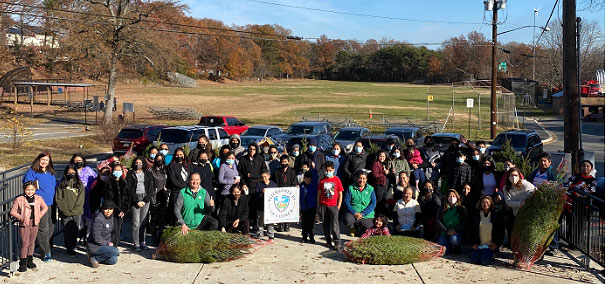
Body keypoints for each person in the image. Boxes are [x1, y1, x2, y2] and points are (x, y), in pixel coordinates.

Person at [22, 152, 56, 262]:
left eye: (47, 160)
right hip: (40, 204)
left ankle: (47, 246)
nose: (44, 162)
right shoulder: (32, 172)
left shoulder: (50, 172)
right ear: (38, 160)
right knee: (43, 228)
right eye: (43, 160)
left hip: (51, 202)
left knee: (51, 227)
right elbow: (27, 186)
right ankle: (46, 252)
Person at [11, 181, 48, 272]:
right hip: (24, 224)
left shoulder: (38, 198)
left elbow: (45, 207)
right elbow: (12, 211)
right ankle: (23, 262)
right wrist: (21, 217)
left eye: (32, 189)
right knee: (25, 243)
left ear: (35, 189)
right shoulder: (19, 199)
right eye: (28, 190)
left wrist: (39, 215)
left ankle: (29, 260)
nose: (30, 191)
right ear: (24, 190)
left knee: (32, 242)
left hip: (34, 223)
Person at [55, 164, 85, 256]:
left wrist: (74, 211)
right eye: (69, 172)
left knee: (75, 229)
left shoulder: (79, 184)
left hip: (77, 212)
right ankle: (69, 248)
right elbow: (58, 198)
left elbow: (81, 199)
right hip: (65, 212)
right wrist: (64, 210)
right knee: (67, 230)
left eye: (73, 172)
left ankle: (73, 245)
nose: (71, 174)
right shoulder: (61, 184)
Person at [126, 156, 155, 251]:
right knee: (135, 222)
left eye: (140, 163)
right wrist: (136, 201)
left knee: (143, 221)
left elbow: (151, 188)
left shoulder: (148, 174)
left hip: (145, 198)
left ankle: (143, 241)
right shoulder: (130, 173)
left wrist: (145, 200)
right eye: (136, 163)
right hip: (135, 198)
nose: (138, 164)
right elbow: (129, 188)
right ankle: (136, 243)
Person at [503, 167, 536, 246]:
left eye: (515, 175)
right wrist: (519, 203)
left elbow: (536, 191)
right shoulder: (506, 187)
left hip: (528, 213)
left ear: (519, 176)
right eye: (511, 175)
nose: (513, 177)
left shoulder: (526, 184)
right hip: (516, 213)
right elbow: (508, 202)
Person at [469, 195, 504, 265]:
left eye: (487, 202)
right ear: (480, 203)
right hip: (478, 244)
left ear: (491, 203)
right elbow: (471, 230)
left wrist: (496, 244)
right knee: (475, 260)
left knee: (484, 261)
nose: (485, 204)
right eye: (483, 202)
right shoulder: (475, 215)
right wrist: (473, 243)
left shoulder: (497, 214)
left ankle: (492, 253)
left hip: (490, 245)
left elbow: (501, 231)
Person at [239, 143, 268, 227]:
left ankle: (257, 224)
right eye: (250, 149)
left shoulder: (260, 159)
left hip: (257, 186)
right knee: (247, 207)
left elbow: (264, 171)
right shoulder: (243, 159)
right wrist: (243, 184)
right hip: (247, 186)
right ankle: (248, 224)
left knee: (257, 207)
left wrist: (253, 175)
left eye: (254, 149)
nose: (252, 151)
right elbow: (240, 172)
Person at [317, 161, 344, 250]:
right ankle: (328, 241)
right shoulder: (322, 181)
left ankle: (337, 242)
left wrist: (339, 204)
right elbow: (319, 193)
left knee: (334, 225)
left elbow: (340, 193)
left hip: (333, 205)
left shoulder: (337, 180)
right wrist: (318, 205)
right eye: (326, 170)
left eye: (330, 170)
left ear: (333, 170)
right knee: (326, 225)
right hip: (323, 205)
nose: (328, 172)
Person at [87, 200, 120, 268]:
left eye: (111, 209)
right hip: (95, 246)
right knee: (115, 251)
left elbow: (113, 233)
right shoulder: (98, 219)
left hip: (105, 244)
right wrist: (107, 244)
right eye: (106, 209)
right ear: (102, 209)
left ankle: (96, 258)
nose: (108, 211)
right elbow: (97, 238)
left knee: (113, 260)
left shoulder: (111, 218)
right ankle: (93, 258)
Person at [344, 171, 376, 237]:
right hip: (353, 212)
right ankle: (353, 227)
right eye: (360, 178)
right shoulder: (350, 188)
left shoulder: (371, 189)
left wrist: (363, 213)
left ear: (366, 179)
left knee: (369, 230)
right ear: (356, 179)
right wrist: (354, 212)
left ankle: (361, 227)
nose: (361, 180)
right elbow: (346, 201)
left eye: (364, 178)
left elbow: (373, 203)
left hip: (366, 214)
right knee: (347, 219)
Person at [148, 153, 170, 246]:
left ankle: (160, 238)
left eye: (161, 159)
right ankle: (153, 237)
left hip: (163, 197)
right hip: (154, 197)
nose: (159, 161)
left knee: (162, 219)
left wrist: (167, 190)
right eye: (157, 159)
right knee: (154, 219)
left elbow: (168, 182)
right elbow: (149, 185)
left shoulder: (165, 170)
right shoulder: (151, 171)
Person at [437, 189, 467, 255]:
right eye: (450, 196)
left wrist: (455, 230)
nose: (452, 198)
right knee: (444, 252)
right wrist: (446, 230)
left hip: (456, 232)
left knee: (454, 240)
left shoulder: (461, 208)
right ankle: (449, 246)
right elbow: (438, 220)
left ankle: (456, 247)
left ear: (457, 197)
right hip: (445, 232)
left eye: (454, 196)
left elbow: (464, 222)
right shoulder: (442, 208)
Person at [106, 163, 130, 247]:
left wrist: (124, 210)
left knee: (118, 230)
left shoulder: (124, 182)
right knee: (112, 229)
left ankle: (115, 246)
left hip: (121, 212)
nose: (117, 172)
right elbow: (108, 198)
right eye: (116, 170)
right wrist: (115, 210)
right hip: (112, 211)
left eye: (119, 170)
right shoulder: (109, 182)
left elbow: (127, 197)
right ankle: (110, 247)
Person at [273, 155, 298, 232]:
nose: (284, 163)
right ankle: (280, 225)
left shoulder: (292, 171)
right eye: (282, 162)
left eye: (285, 162)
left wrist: (293, 189)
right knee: (280, 208)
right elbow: (274, 182)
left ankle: (287, 224)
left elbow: (294, 182)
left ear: (288, 162)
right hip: (279, 193)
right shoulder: (277, 172)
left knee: (287, 209)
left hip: (288, 193)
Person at [166, 147, 190, 223]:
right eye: (177, 155)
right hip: (176, 192)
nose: (179, 156)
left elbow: (191, 176)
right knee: (176, 212)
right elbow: (173, 180)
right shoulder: (172, 166)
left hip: (188, 192)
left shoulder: (188, 165)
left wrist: (188, 187)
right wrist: (183, 187)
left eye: (181, 154)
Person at [255, 171, 277, 240]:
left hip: (270, 207)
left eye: (265, 177)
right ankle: (259, 234)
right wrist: (262, 192)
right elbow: (256, 196)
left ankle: (271, 235)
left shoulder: (273, 185)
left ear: (269, 176)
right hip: (261, 206)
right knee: (260, 221)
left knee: (270, 221)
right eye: (262, 177)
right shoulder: (259, 185)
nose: (264, 178)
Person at [299, 171, 318, 243]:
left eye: (309, 179)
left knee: (311, 223)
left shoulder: (313, 185)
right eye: (306, 179)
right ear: (304, 178)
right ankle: (304, 237)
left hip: (312, 207)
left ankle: (311, 237)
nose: (308, 181)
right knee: (304, 223)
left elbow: (316, 176)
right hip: (304, 208)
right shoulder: (301, 186)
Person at [369, 151, 389, 216]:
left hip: (384, 185)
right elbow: (375, 175)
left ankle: (382, 216)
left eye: (383, 156)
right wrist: (383, 172)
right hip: (378, 185)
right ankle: (377, 215)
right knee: (378, 201)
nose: (382, 158)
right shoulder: (375, 163)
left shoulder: (383, 164)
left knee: (383, 201)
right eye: (380, 156)